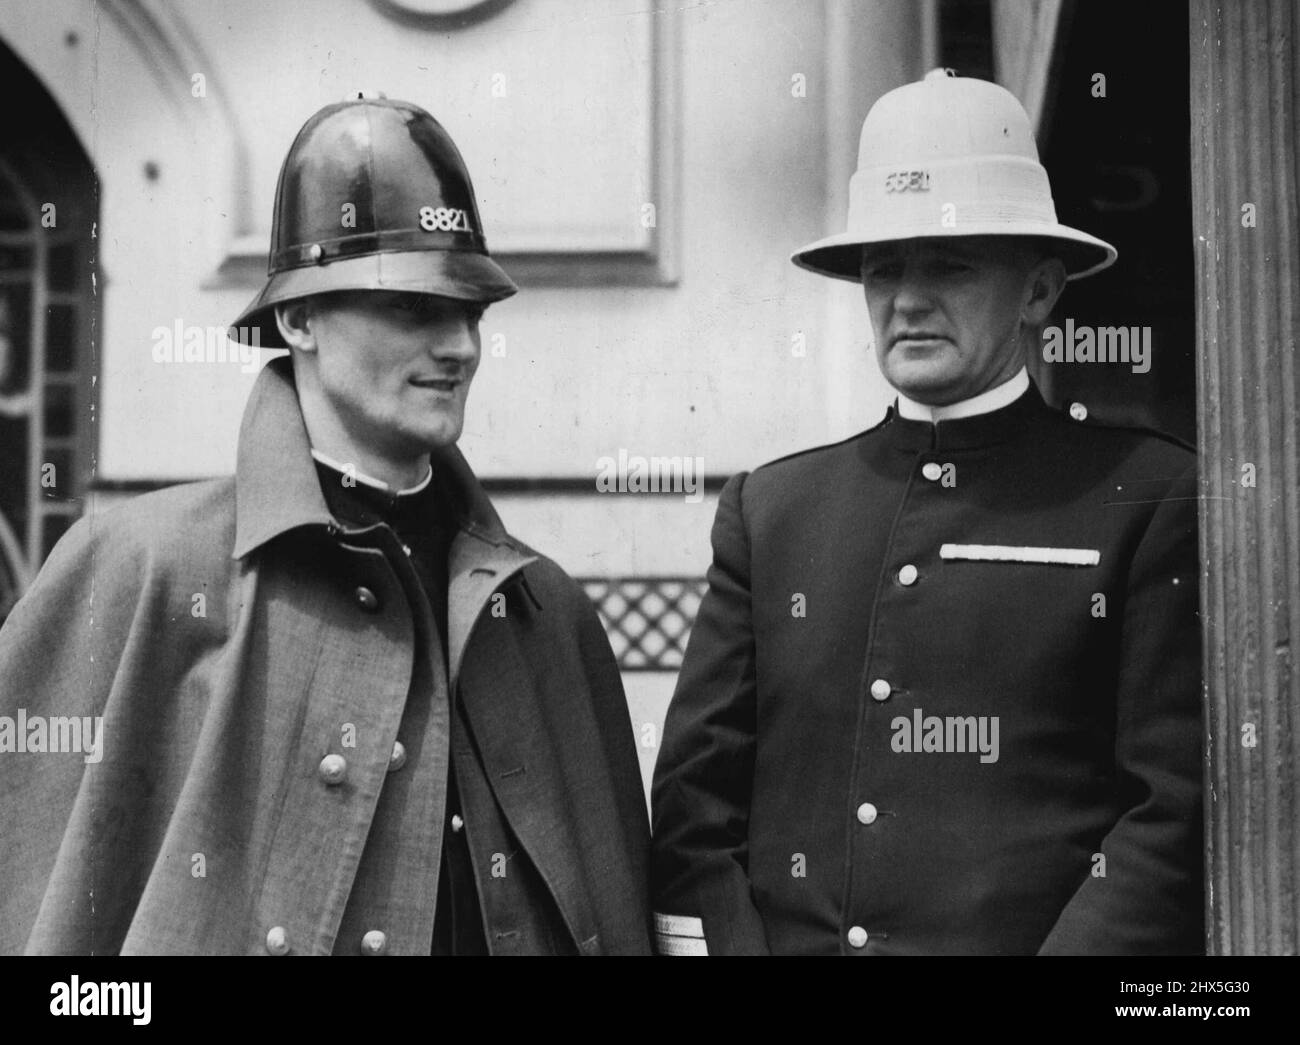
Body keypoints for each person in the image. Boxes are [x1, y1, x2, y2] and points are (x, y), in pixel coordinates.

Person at [0, 95, 651, 956]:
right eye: (414, 309)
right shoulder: (143, 566)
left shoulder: (544, 613)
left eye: (470, 313)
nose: (457, 346)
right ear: (299, 318)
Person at [650, 70, 1202, 956]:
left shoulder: (1144, 497)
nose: (906, 298)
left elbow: (1169, 815)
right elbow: (693, 814)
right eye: (882, 267)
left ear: (1039, 291)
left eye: (947, 262)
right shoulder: (775, 511)